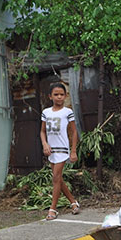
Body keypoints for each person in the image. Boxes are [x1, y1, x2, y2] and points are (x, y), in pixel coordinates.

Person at [40, 82, 80, 221]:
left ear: (65, 96)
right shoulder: (46, 112)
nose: (59, 97)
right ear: (50, 96)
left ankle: (53, 209)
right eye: (56, 94)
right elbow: (42, 131)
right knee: (59, 180)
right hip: (51, 150)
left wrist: (73, 150)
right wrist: (45, 144)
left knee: (56, 178)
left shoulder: (68, 112)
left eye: (61, 94)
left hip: (63, 149)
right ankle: (73, 202)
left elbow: (74, 131)